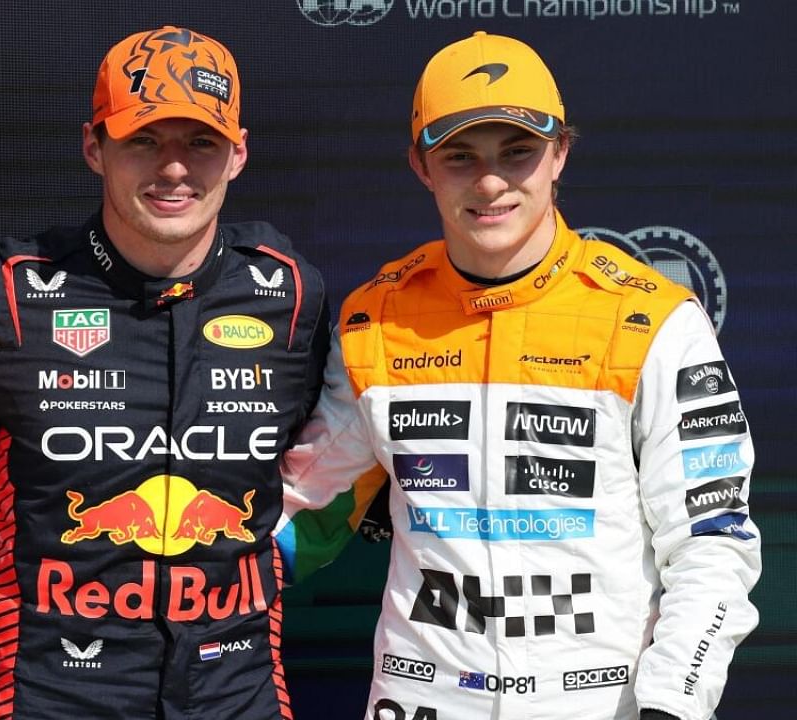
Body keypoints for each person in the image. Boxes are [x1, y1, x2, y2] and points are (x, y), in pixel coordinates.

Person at [278, 31, 761, 720]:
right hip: (422, 700)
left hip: (605, 705)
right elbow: (306, 507)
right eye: (460, 156)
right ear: (421, 165)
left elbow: (713, 542)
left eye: (517, 151)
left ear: (560, 152)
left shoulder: (654, 320)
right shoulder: (376, 319)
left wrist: (673, 704)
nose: (491, 181)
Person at [0, 25, 329, 719]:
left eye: (200, 141)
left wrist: (293, 537)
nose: (173, 168)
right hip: (54, 697)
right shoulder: (8, 296)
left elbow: (334, 460)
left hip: (241, 699)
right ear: (95, 146)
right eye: (144, 139)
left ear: (237, 154)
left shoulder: (289, 294)